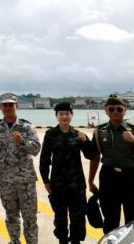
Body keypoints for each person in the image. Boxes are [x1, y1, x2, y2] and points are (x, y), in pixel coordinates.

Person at [88, 94, 134, 234]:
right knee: (110, 219)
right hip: (108, 177)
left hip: (131, 177)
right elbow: (95, 157)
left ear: (125, 110)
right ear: (106, 111)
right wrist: (90, 180)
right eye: (111, 109)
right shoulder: (99, 131)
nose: (115, 112)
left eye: (119, 109)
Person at [0, 93, 41, 244]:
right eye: (5, 105)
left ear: (17, 106)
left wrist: (23, 141)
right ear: (0, 107)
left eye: (11, 105)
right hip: (6, 180)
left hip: (26, 180)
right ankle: (14, 241)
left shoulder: (27, 127)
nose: (8, 108)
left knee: (30, 216)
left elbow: (36, 149)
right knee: (11, 216)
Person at [40, 102, 96, 244]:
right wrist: (46, 180)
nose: (64, 116)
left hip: (76, 184)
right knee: (60, 218)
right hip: (58, 184)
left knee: (78, 218)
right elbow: (44, 159)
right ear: (56, 116)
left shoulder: (78, 135)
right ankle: (63, 241)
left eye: (67, 113)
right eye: (61, 114)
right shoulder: (50, 135)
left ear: (71, 116)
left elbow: (91, 155)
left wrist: (85, 142)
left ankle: (76, 242)